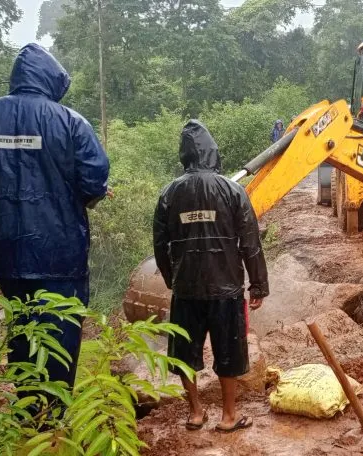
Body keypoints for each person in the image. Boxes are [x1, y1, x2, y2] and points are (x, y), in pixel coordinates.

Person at [0, 43, 110, 414]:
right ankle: (53, 419)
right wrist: (91, 196)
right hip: (60, 250)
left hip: (4, 250)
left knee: (21, 325)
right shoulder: (70, 121)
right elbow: (95, 179)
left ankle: (29, 410)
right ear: (52, 81)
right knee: (61, 330)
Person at [153, 120, 269, 433]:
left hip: (186, 289)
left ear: (185, 155)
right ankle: (229, 416)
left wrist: (171, 279)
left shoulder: (169, 193)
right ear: (212, 151)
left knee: (184, 353)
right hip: (227, 289)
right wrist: (258, 285)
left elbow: (160, 245)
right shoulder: (233, 191)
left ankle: (195, 413)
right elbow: (250, 242)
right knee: (229, 351)